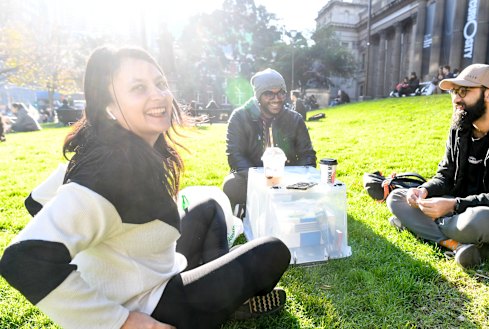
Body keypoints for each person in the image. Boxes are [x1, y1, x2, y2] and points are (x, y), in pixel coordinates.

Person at [0, 46, 291, 329]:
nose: (158, 95)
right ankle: (226, 301)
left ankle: (221, 289)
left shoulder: (107, 147)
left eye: (160, 83)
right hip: (153, 307)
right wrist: (121, 321)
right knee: (272, 251)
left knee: (208, 208)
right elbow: (22, 260)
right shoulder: (108, 175)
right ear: (110, 106)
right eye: (138, 88)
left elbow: (35, 202)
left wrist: (104, 255)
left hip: (153, 270)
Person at [387, 64, 489, 269]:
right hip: (461, 207)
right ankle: (456, 245)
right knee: (398, 198)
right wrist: (424, 190)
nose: (456, 99)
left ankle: (419, 226)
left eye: (464, 91)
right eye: (454, 92)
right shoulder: (460, 125)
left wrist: (454, 205)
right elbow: (446, 175)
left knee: (473, 221)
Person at [222, 68, 317, 216]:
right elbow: (235, 155)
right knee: (231, 185)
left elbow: (307, 154)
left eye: (281, 92)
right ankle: (265, 202)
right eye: (269, 93)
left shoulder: (295, 119)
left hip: (287, 179)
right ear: (258, 96)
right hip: (253, 178)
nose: (277, 98)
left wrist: (297, 179)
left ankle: (258, 205)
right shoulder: (240, 117)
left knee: (315, 183)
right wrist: (261, 180)